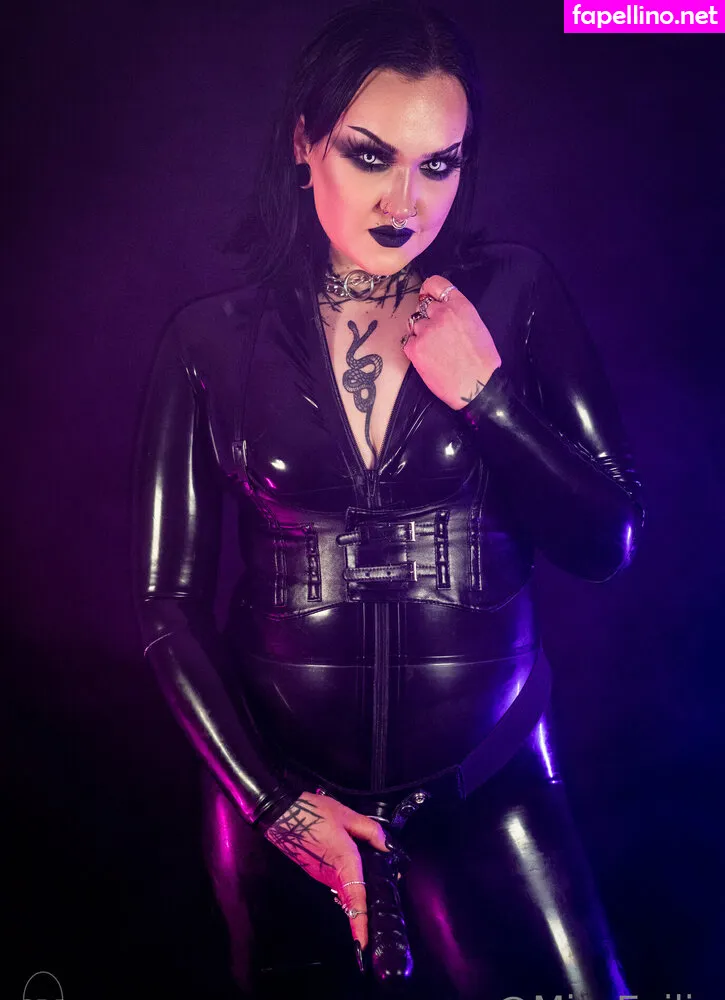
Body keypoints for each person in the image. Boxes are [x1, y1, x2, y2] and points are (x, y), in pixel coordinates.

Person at [131, 1, 645, 997]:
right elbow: (166, 605)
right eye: (370, 155)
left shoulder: (514, 295)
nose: (405, 200)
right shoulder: (207, 341)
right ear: (303, 142)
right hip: (279, 796)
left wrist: (488, 399)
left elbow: (605, 540)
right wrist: (275, 806)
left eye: (437, 164)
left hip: (486, 782)